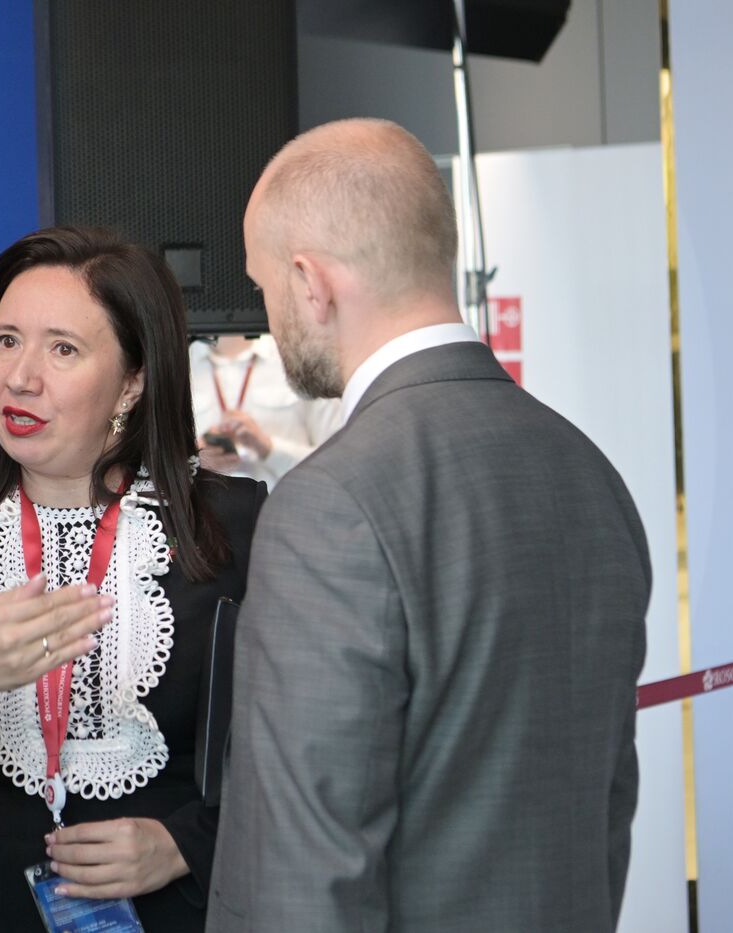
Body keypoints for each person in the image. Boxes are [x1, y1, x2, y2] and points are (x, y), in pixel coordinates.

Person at [208, 119, 650, 932]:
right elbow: (604, 816)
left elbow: (301, 880)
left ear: (311, 282)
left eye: (265, 285)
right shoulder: (591, 474)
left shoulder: (327, 503)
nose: (269, 319)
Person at [0, 227, 266, 931]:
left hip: (177, 911)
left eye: (63, 349)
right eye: (6, 340)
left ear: (135, 379)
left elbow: (300, 748)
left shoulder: (236, 529)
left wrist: (184, 843)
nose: (20, 377)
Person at [191, 333, 342, 488]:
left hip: (288, 505)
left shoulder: (298, 356)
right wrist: (194, 462)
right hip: (205, 508)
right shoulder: (181, 363)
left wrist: (269, 448)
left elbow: (339, 465)